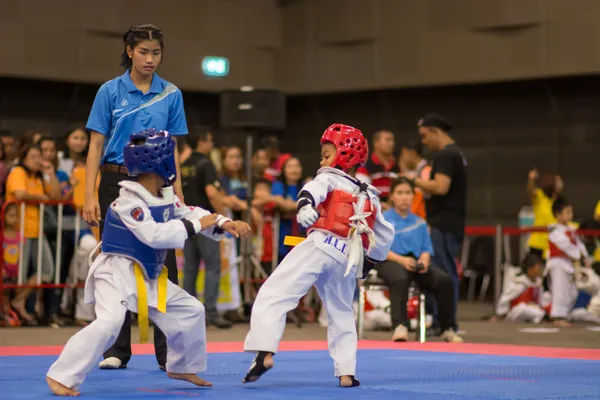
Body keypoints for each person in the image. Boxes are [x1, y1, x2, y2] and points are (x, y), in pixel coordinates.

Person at [45, 129, 251, 396]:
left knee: (191, 310)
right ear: (162, 162)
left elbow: (190, 212)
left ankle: (180, 365)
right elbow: (155, 235)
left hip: (147, 274)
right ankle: (61, 375)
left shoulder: (163, 195)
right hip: (116, 273)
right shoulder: (129, 201)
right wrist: (198, 224)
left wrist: (224, 222)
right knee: (109, 323)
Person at [243, 124, 394, 387]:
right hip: (348, 259)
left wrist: (305, 207)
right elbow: (385, 234)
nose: (321, 160)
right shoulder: (370, 194)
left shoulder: (328, 177)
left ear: (344, 155)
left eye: (326, 154)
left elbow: (311, 191)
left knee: (275, 294)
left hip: (319, 245)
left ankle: (264, 351)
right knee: (341, 314)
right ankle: (346, 372)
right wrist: (369, 263)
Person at [82, 24, 188, 370]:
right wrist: (89, 195)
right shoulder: (109, 92)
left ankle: (168, 352)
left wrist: (178, 198)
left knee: (164, 267)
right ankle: (116, 350)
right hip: (114, 184)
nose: (150, 59)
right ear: (129, 51)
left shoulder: (171, 94)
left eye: (156, 53)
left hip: (156, 188)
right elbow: (96, 145)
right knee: (114, 265)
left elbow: (172, 148)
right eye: (143, 52)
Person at [377, 177, 462, 342]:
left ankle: (447, 328)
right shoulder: (383, 220)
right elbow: (379, 249)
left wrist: (424, 261)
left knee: (444, 280)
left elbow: (426, 249)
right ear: (392, 196)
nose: (404, 197)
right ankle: (400, 327)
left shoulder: (420, 222)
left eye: (408, 193)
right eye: (400, 193)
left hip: (414, 263)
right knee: (400, 278)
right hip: (390, 261)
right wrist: (402, 261)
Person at [404, 113, 467, 322]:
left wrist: (414, 181)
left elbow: (441, 187)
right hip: (449, 223)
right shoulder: (456, 153)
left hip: (444, 224)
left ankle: (446, 322)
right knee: (445, 271)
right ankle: (443, 320)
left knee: (444, 274)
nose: (423, 141)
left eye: (424, 136)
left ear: (435, 132)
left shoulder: (445, 155)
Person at [180, 129, 232, 328]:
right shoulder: (206, 163)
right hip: (206, 221)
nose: (212, 145)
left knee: (190, 268)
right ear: (202, 142)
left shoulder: (183, 164)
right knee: (212, 266)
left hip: (186, 222)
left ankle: (188, 312)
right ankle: (210, 312)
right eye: (210, 141)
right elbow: (211, 192)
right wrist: (222, 218)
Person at [547, 198, 598, 327]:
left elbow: (579, 244)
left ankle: (566, 313)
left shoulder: (571, 229)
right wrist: (578, 256)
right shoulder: (554, 230)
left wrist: (584, 257)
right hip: (558, 263)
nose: (570, 215)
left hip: (569, 264)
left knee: (571, 292)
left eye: (571, 212)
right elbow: (566, 246)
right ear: (558, 214)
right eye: (567, 212)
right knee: (560, 291)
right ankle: (557, 317)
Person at [493, 253, 549, 324]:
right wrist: (500, 314)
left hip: (534, 309)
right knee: (522, 308)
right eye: (537, 268)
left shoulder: (538, 284)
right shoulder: (520, 282)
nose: (540, 270)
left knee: (547, 296)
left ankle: (537, 318)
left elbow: (541, 301)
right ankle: (539, 316)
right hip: (516, 311)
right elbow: (505, 298)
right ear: (530, 269)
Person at [356, 129, 399, 204]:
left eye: (393, 140)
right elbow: (363, 193)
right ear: (376, 143)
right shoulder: (365, 165)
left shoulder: (397, 166)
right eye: (388, 140)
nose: (392, 144)